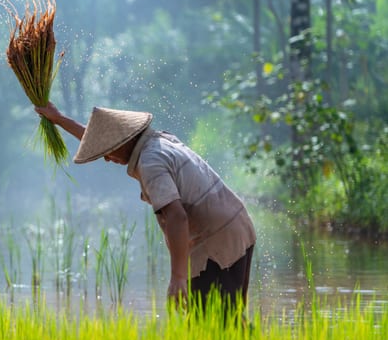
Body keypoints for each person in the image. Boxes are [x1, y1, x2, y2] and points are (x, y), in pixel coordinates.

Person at [35, 102, 256, 316]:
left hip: (216, 241)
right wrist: (60, 120)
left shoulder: (150, 162)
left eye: (108, 151)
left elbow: (177, 217)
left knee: (214, 325)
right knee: (227, 323)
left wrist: (178, 278)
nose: (106, 158)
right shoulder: (159, 141)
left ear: (122, 142)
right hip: (236, 225)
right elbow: (102, 141)